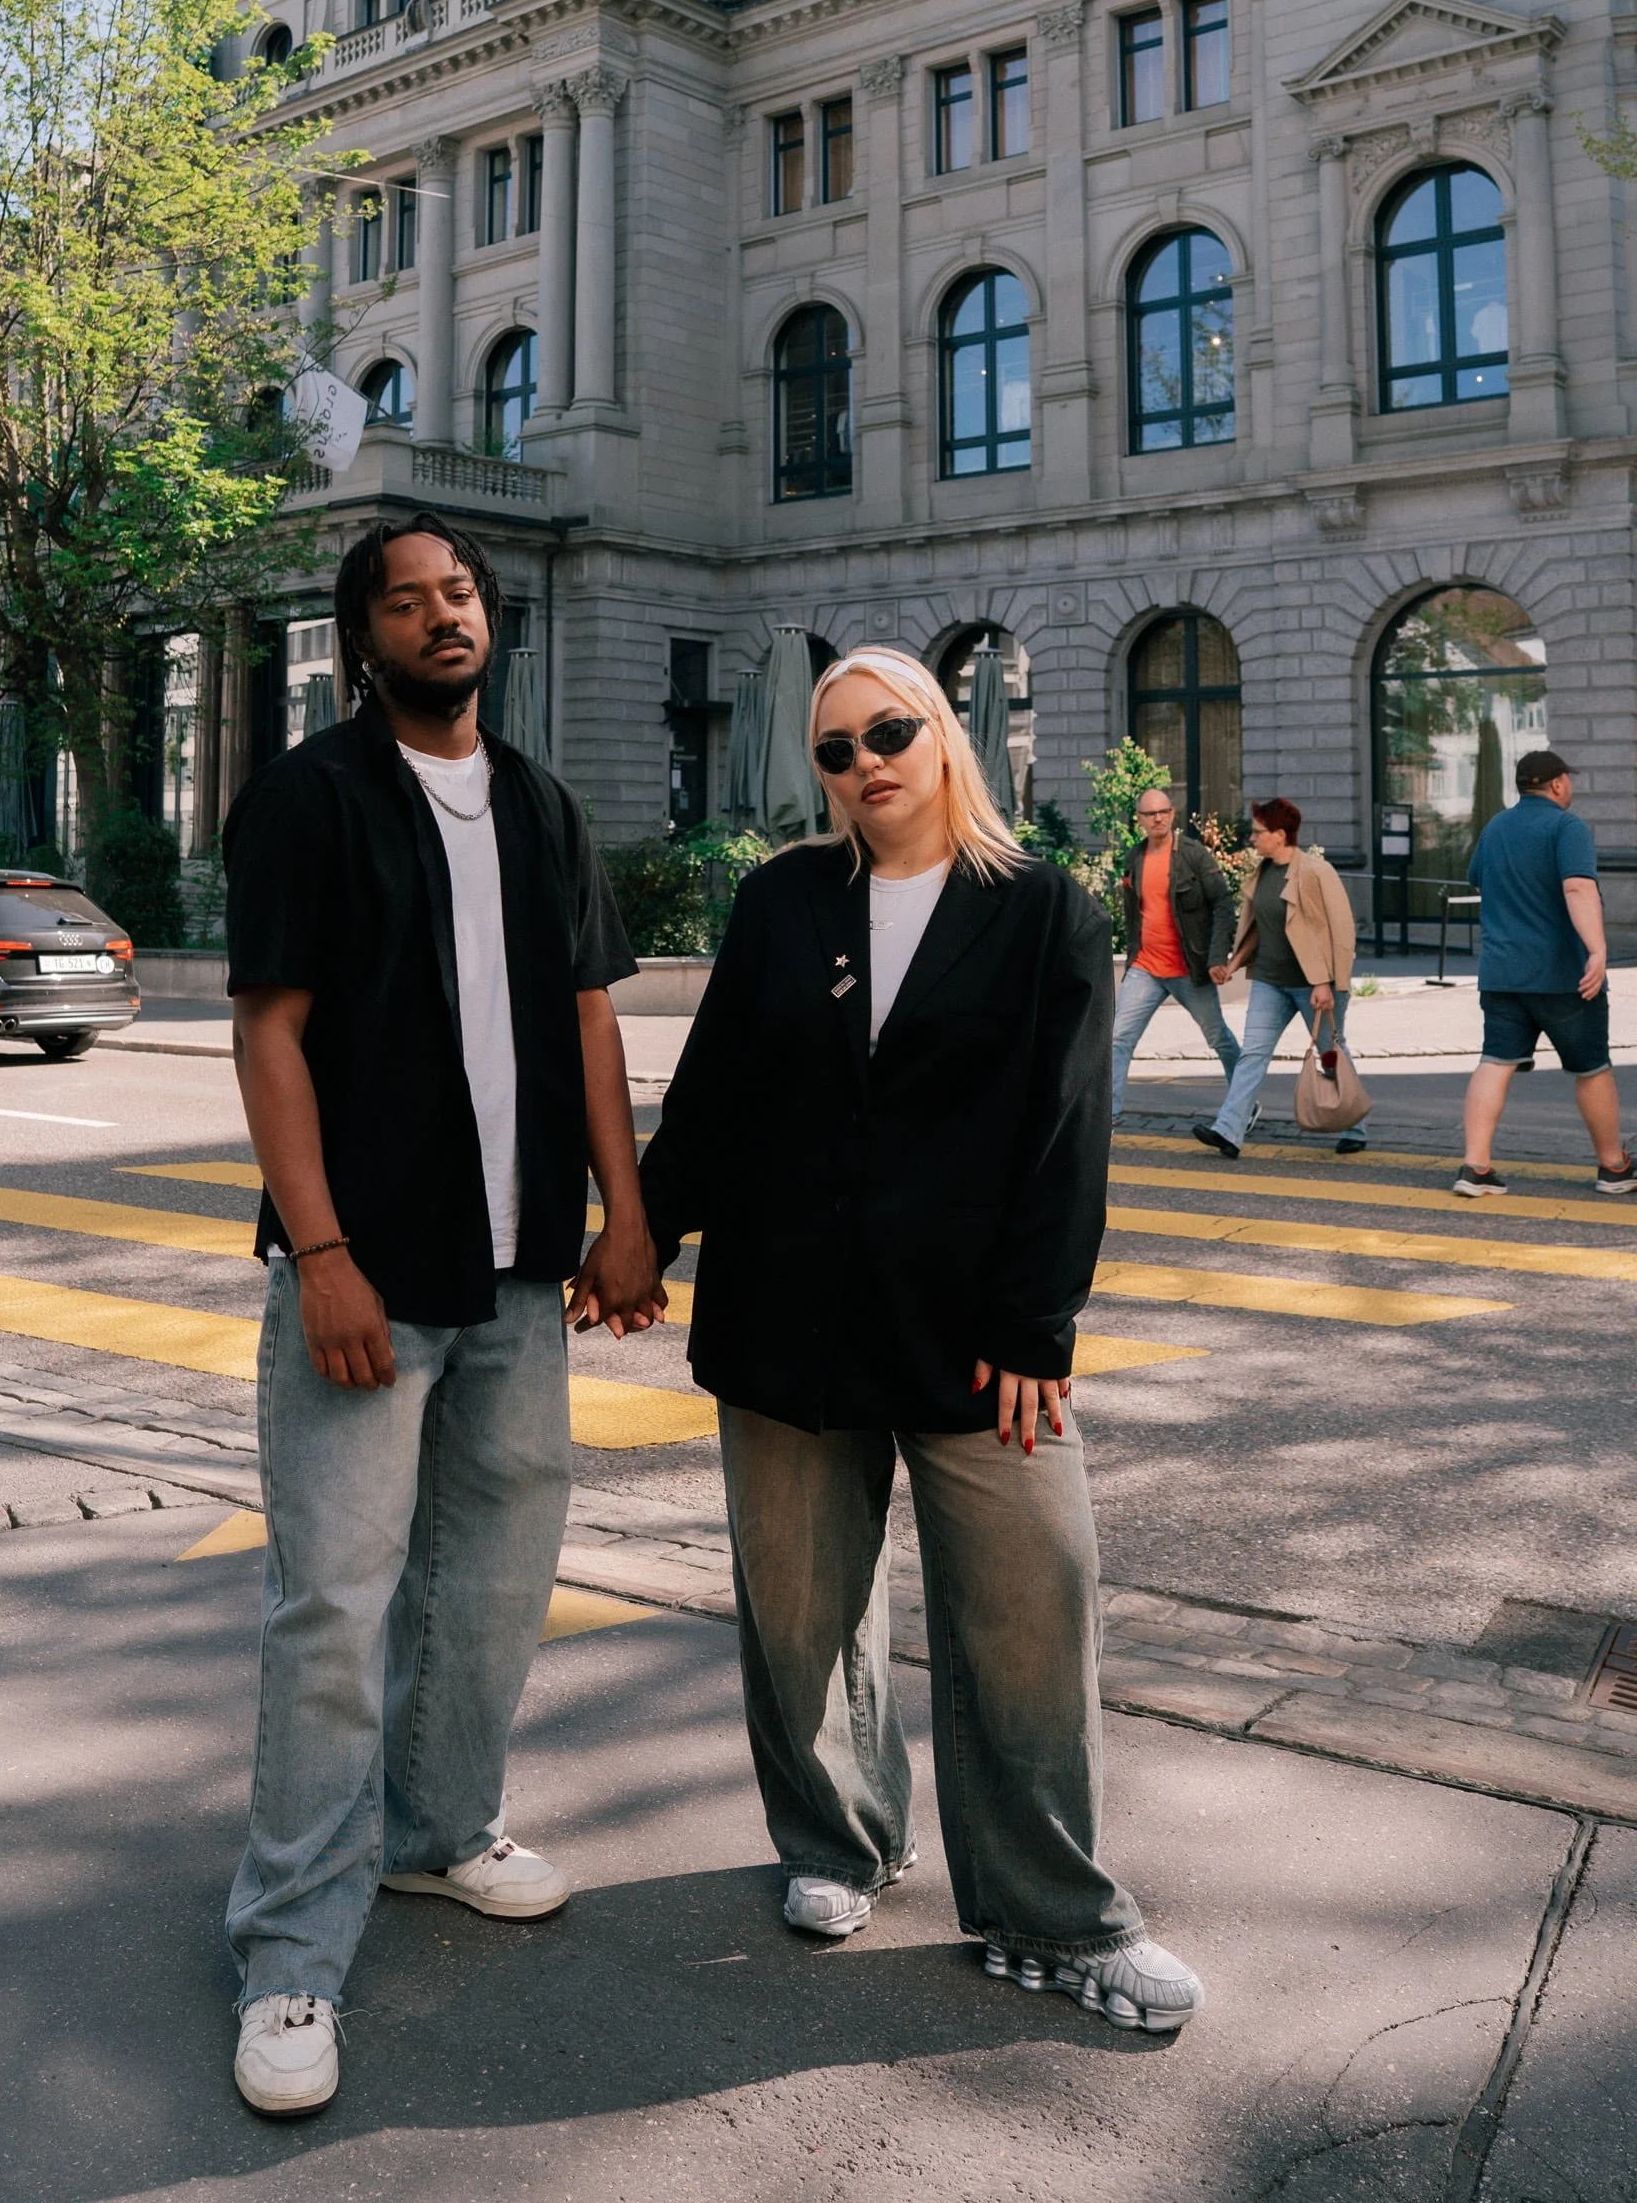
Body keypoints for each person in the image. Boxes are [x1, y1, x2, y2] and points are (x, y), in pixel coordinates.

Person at [642, 645, 1203, 2034]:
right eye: (834, 749)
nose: (864, 763)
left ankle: (1049, 1912)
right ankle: (840, 1841)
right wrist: (636, 1236)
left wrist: (1035, 1325)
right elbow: (713, 1099)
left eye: (887, 731)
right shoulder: (782, 900)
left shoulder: (1042, 909)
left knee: (1031, 1610)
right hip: (785, 1314)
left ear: (946, 734)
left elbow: (1066, 1133)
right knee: (799, 1613)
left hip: (975, 1331)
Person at [221, 513, 661, 2116]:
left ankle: (437, 1831)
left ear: (492, 618)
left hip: (521, 1270)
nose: (441, 615)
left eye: (460, 592)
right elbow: (270, 1034)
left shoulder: (540, 804)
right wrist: (322, 1250)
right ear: (364, 640)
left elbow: (591, 1021)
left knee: (492, 1584)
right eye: (406, 602)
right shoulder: (310, 799)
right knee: (334, 1608)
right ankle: (288, 1948)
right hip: (370, 1270)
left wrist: (628, 1215)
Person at [1455, 750, 1635, 1199]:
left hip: (1501, 972)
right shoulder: (1566, 827)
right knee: (1591, 1068)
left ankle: (1475, 1168)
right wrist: (1597, 950)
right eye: (1567, 779)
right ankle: (1614, 1167)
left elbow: (1477, 879)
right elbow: (1578, 887)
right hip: (1562, 976)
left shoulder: (1495, 827)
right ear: (1556, 784)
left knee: (1495, 1061)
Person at [1196, 800, 1365, 1158]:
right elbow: (1260, 928)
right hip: (1270, 982)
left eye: (1258, 832)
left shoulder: (1316, 872)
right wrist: (1234, 963)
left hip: (1314, 985)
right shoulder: (1263, 873)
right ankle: (1229, 1131)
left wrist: (1327, 983)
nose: (1252, 838)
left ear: (1280, 834)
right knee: (1252, 1055)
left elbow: (1341, 931)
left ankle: (1355, 1124)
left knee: (1330, 1053)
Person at [1110, 787, 1243, 1129]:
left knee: (1218, 1038)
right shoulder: (1134, 857)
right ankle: (1107, 1115)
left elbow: (1223, 904)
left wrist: (1216, 957)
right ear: (1139, 819)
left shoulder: (1194, 856)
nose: (1158, 819)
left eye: (1163, 812)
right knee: (1118, 1039)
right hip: (1145, 967)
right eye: (1150, 814)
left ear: (1172, 814)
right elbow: (1133, 913)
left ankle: (1244, 1105)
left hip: (1189, 967)